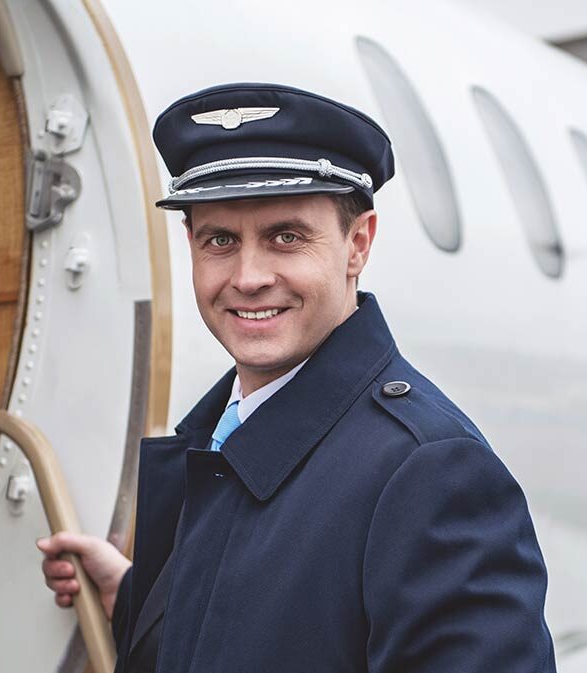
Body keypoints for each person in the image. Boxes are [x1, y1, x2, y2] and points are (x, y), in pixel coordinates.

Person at [37, 82, 555, 673]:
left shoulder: (430, 473)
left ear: (357, 244)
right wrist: (141, 602)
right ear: (191, 247)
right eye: (220, 241)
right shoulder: (228, 434)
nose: (249, 276)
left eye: (286, 237)